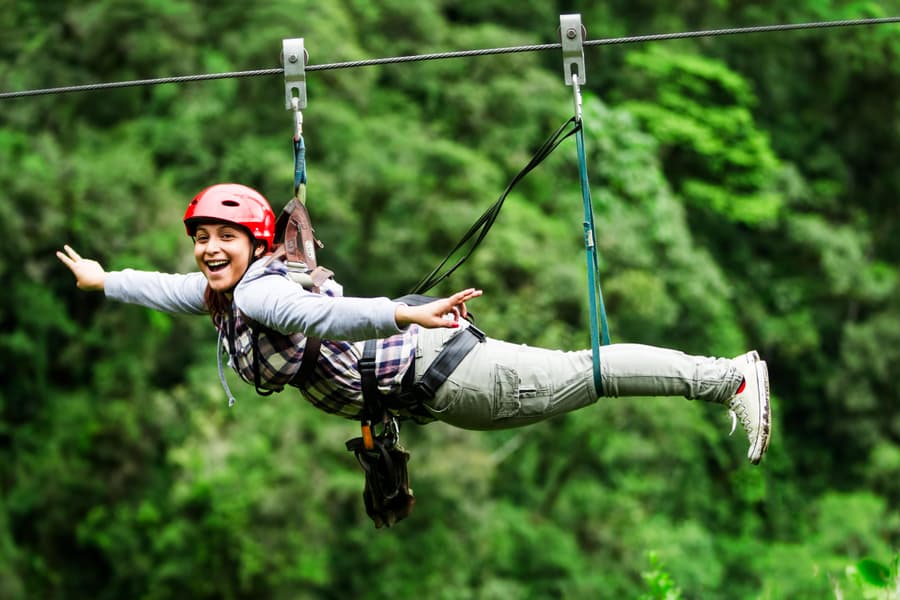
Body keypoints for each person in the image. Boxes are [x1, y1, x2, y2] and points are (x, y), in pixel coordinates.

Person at [56, 183, 771, 466]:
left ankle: (729, 378)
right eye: (200, 237)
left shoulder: (258, 297)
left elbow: (322, 317)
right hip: (438, 380)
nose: (208, 250)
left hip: (453, 379)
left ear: (256, 244)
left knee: (590, 374)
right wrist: (103, 279)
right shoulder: (227, 289)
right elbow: (168, 289)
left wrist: (400, 311)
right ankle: (725, 378)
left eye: (224, 238)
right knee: (586, 374)